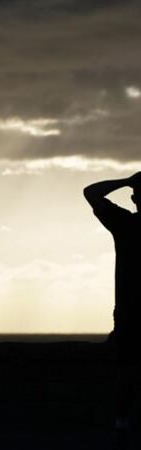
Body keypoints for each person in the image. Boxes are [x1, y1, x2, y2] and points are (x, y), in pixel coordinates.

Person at [84, 172, 141, 449]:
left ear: (134, 199)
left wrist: (127, 180)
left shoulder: (125, 224)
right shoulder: (126, 224)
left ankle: (122, 424)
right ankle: (122, 424)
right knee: (128, 371)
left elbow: (92, 192)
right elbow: (90, 192)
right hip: (131, 312)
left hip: (130, 312)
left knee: (128, 370)